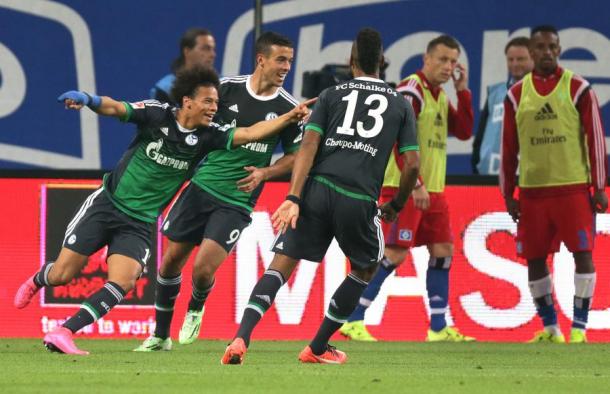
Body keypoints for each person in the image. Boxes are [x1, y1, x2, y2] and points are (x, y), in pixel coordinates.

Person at [13, 66, 312, 355]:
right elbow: (116, 108)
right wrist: (88, 100)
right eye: (208, 101)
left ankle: (64, 332)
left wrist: (288, 116)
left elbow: (250, 133)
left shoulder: (210, 135)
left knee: (125, 280)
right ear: (187, 101)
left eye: (216, 103)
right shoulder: (156, 114)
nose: (213, 108)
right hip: (107, 206)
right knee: (63, 274)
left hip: (140, 223)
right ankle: (41, 278)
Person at [221, 27, 420, 365]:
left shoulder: (331, 95)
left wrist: (295, 197)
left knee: (280, 266)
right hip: (358, 197)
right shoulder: (400, 105)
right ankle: (316, 347)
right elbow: (412, 165)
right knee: (365, 268)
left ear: (351, 60)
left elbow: (308, 148)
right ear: (382, 62)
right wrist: (397, 204)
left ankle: (241, 337)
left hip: (316, 190)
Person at [134, 32, 304, 351]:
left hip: (237, 199)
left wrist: (266, 171)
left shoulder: (289, 108)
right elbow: (192, 121)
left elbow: (297, 156)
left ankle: (196, 307)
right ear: (261, 59)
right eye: (281, 59)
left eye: (290, 61)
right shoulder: (225, 89)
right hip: (200, 187)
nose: (286, 67)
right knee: (170, 262)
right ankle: (159, 335)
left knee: (202, 269)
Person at [339, 34, 475, 342]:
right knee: (395, 253)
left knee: (443, 252)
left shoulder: (438, 94)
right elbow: (399, 139)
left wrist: (462, 91)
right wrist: (415, 184)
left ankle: (438, 327)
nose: (447, 66)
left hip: (433, 190)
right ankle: (354, 318)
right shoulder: (410, 92)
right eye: (442, 59)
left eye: (453, 61)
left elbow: (465, 132)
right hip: (406, 186)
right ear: (426, 59)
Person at [500, 25, 608, 344]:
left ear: (559, 50)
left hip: (572, 188)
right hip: (533, 193)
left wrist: (599, 186)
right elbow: (508, 148)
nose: (547, 52)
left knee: (583, 253)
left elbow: (596, 140)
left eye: (553, 47)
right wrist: (508, 194)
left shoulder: (578, 87)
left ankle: (580, 328)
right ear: (531, 53)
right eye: (541, 48)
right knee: (534, 258)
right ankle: (550, 329)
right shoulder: (516, 95)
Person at [472, 37, 533, 174]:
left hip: (527, 178)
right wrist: (476, 165)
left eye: (521, 59)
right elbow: (481, 137)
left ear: (533, 58)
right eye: (510, 59)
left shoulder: (543, 92)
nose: (515, 64)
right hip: (490, 176)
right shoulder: (495, 92)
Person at [150, 28, 216, 105]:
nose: (213, 55)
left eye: (213, 49)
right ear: (187, 51)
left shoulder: (223, 85)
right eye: (205, 48)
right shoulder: (165, 88)